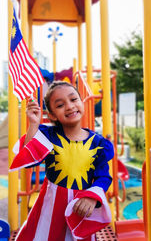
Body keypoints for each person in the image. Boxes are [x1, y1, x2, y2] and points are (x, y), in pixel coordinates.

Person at [11, 81, 114, 241]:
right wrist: (33, 124)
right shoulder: (48, 136)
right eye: (60, 105)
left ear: (81, 102)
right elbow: (30, 160)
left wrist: (91, 197)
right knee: (43, 234)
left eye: (73, 100)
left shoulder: (98, 143)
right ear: (52, 115)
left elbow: (103, 177)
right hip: (50, 205)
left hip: (80, 206)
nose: (69, 106)